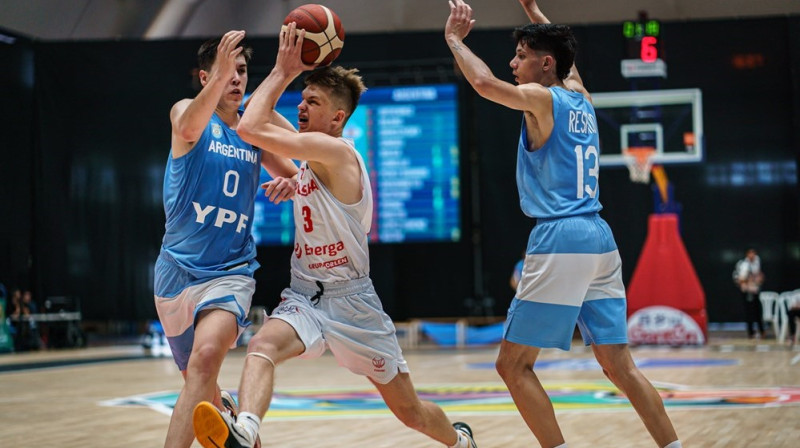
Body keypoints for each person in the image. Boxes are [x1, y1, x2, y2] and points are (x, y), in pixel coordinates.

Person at [191, 22, 477, 448]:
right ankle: (246, 431)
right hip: (306, 294)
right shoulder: (310, 154)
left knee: (410, 412)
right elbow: (256, 112)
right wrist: (295, 181)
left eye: (312, 102)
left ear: (338, 117)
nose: (301, 108)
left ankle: (459, 440)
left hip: (353, 303)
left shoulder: (338, 152)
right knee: (262, 345)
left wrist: (286, 69)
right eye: (302, 100)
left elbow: (250, 126)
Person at [444, 1, 681, 447]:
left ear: (545, 63)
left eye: (521, 55)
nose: (512, 63)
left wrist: (455, 40)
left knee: (512, 366)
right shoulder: (582, 100)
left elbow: (481, 82)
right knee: (621, 366)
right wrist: (535, 10)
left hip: (560, 236)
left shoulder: (541, 97)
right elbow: (568, 64)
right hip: (599, 237)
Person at [154, 30, 298, 448]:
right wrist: (220, 72)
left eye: (242, 71)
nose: (236, 79)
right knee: (201, 389)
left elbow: (296, 174)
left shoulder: (252, 132)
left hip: (229, 272)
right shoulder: (188, 113)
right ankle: (233, 421)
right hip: (175, 274)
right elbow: (186, 125)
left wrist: (289, 184)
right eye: (226, 71)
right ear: (205, 77)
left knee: (203, 363)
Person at [734, 248, 764, 339]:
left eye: (753, 253)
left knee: (758, 311)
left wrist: (758, 279)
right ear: (747, 254)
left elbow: (759, 276)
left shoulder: (757, 261)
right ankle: (751, 333)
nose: (752, 255)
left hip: (755, 290)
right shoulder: (743, 264)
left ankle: (761, 331)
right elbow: (740, 279)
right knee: (749, 312)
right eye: (750, 253)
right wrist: (748, 279)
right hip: (747, 291)